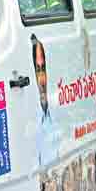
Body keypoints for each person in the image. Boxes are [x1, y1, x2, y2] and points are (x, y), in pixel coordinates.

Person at [31, 34, 61, 167]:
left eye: (43, 69)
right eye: (38, 70)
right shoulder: (31, 124)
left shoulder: (55, 113)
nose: (42, 79)